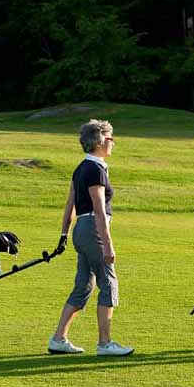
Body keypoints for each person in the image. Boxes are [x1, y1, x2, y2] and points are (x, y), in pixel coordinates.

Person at [48, 119, 134, 357]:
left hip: (80, 231)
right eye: (109, 138)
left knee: (84, 285)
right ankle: (105, 344)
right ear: (98, 141)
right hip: (93, 229)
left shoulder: (81, 168)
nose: (113, 143)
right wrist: (108, 244)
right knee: (109, 283)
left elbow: (70, 206)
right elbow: (98, 209)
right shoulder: (95, 169)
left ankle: (58, 339)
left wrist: (65, 234)